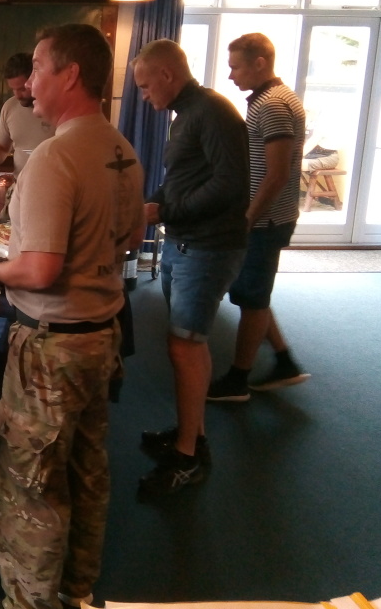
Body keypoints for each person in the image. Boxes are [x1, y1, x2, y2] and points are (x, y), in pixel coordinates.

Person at [0, 24, 144, 609]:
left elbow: (39, 270)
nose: (28, 84)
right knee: (87, 472)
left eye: (39, 69)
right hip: (102, 336)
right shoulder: (122, 150)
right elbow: (131, 239)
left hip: (51, 348)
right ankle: (78, 590)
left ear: (70, 75)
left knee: (33, 486)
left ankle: (30, 602)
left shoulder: (54, 156)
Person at [132, 38, 249, 496]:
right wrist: (154, 203)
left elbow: (230, 184)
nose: (144, 96)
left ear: (167, 74)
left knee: (184, 344)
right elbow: (182, 180)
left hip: (208, 247)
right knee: (186, 343)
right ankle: (190, 434)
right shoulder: (188, 115)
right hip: (185, 243)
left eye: (146, 86)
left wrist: (167, 211)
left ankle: (188, 457)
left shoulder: (213, 112)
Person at [207, 33, 309, 401]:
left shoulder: (273, 105)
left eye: (235, 67)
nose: (231, 75)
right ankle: (283, 360)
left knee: (252, 299)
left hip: (265, 221)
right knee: (255, 293)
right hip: (269, 218)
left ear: (259, 63)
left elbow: (277, 174)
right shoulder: (272, 99)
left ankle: (239, 379)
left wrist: (247, 220)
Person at [0, 52, 55, 179]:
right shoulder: (9, 107)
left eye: (22, 89)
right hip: (19, 185)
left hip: (51, 184)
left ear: (34, 79)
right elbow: (2, 147)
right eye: (13, 89)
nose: (17, 95)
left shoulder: (57, 108)